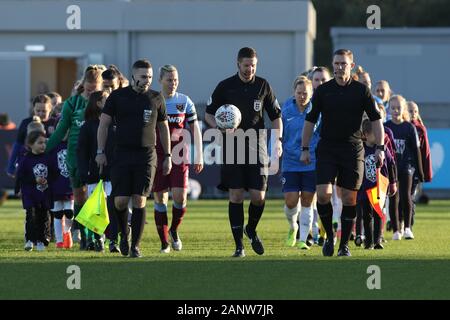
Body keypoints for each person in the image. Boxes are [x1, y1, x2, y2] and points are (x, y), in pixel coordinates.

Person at [301, 49, 385, 257]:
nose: (340, 67)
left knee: (349, 199)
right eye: (336, 63)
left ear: (351, 65)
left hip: (353, 149)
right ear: (333, 64)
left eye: (343, 64)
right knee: (323, 195)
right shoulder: (323, 91)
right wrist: (304, 148)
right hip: (327, 148)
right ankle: (330, 237)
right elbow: (310, 120)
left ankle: (344, 245)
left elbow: (376, 119)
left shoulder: (361, 91)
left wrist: (380, 148)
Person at [205, 47, 282, 258]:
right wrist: (220, 128)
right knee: (236, 195)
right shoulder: (225, 86)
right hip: (233, 146)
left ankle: (251, 229)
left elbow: (275, 116)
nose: (250, 69)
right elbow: (209, 114)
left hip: (257, 145)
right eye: (246, 65)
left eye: (253, 65)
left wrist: (277, 141)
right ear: (238, 64)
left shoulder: (263, 85)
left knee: (259, 197)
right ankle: (239, 246)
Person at [96, 59, 171, 258]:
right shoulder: (117, 97)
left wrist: (168, 155)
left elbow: (163, 127)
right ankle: (124, 236)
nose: (147, 80)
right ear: (133, 76)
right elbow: (103, 125)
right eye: (143, 77)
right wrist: (100, 151)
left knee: (139, 200)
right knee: (120, 201)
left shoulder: (156, 98)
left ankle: (135, 246)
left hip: (146, 155)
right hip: (121, 153)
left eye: (150, 77)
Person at [45, 65, 103, 250]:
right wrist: (44, 149)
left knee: (96, 197)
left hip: (98, 156)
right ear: (83, 84)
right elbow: (61, 130)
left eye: (95, 88)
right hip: (75, 156)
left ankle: (98, 236)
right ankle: (84, 237)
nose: (92, 91)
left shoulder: (104, 103)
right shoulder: (72, 103)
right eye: (89, 87)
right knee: (79, 197)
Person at [152, 65, 204, 253]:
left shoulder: (184, 101)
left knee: (180, 197)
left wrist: (199, 154)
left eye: (175, 80)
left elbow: (195, 128)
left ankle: (174, 230)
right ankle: (164, 242)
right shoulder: (153, 100)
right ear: (160, 81)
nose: (173, 83)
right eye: (169, 80)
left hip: (180, 155)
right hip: (157, 156)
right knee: (160, 197)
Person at [77, 90, 119, 252]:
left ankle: (112, 239)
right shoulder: (88, 126)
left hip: (113, 173)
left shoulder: (115, 123)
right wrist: (83, 171)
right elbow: (81, 152)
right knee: (97, 209)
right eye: (105, 99)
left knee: (112, 207)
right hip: (94, 175)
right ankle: (98, 239)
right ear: (98, 103)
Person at [281, 76, 319, 250]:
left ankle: (303, 239)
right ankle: (292, 227)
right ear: (294, 93)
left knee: (307, 200)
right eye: (299, 92)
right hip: (290, 160)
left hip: (311, 160)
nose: (302, 96)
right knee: (291, 201)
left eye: (305, 93)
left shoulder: (317, 110)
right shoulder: (286, 109)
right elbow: (279, 131)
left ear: (311, 94)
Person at [385, 95, 425, 240]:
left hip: (407, 166)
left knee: (406, 196)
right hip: (391, 168)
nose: (396, 111)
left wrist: (420, 171)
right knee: (393, 197)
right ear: (389, 109)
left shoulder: (409, 127)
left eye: (398, 108)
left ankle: (407, 228)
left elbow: (416, 150)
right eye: (393, 108)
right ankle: (396, 230)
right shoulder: (386, 126)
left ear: (403, 110)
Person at [358, 120, 397, 249]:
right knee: (366, 215)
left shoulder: (383, 149)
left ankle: (377, 240)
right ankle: (368, 242)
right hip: (364, 188)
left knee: (378, 213)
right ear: (366, 134)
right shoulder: (360, 149)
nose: (379, 136)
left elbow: (391, 165)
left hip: (379, 188)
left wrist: (393, 183)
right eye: (376, 133)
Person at [16, 131, 55, 251]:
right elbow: (21, 176)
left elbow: (55, 173)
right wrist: (34, 180)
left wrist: (48, 180)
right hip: (30, 194)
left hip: (44, 194)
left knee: (44, 217)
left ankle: (41, 241)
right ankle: (30, 240)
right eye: (40, 143)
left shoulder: (48, 157)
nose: (43, 145)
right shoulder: (26, 159)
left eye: (44, 142)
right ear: (31, 144)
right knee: (31, 216)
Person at [7, 94, 57, 178]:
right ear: (33, 109)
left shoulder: (55, 123)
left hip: (49, 165)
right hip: (28, 164)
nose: (40, 113)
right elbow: (17, 145)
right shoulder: (26, 123)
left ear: (50, 109)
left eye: (44, 111)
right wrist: (11, 166)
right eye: (38, 110)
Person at [407, 101, 432, 227]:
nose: (413, 113)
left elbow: (425, 152)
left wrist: (425, 172)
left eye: (415, 111)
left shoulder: (420, 129)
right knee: (399, 198)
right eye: (410, 110)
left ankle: (408, 224)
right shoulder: (399, 127)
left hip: (414, 169)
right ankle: (398, 223)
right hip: (400, 168)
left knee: (410, 196)